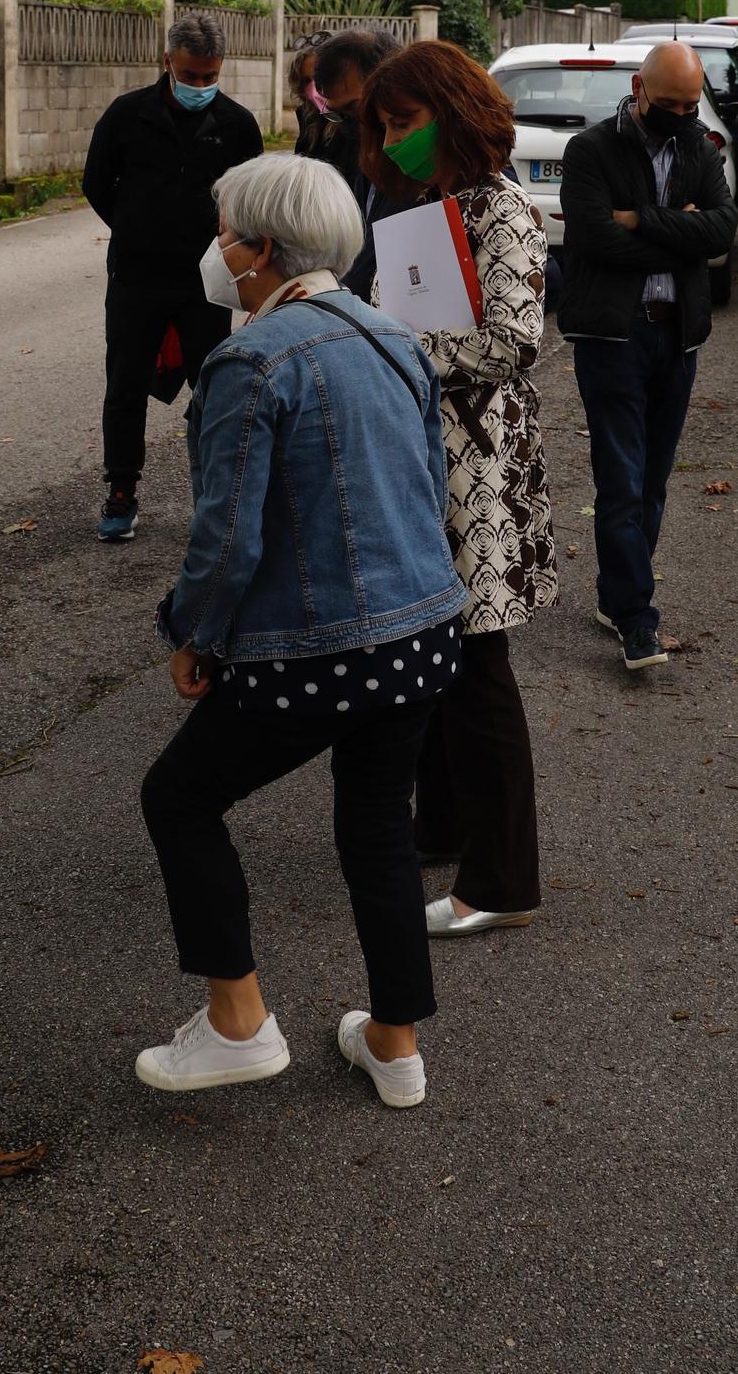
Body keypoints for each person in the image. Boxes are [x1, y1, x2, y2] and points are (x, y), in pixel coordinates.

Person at [139, 154, 467, 1109]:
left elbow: (226, 534)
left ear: (261, 250)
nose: (217, 249)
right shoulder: (393, 335)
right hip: (421, 634)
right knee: (377, 829)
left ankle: (237, 1023)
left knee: (180, 798)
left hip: (314, 651)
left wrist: (192, 635)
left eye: (226, 232)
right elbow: (428, 489)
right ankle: (395, 1044)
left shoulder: (251, 358)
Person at [357, 42, 557, 940]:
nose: (393, 142)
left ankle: (503, 880)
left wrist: (394, 350)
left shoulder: (502, 207)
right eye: (386, 127)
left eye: (404, 123)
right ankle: (441, 827)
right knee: (434, 657)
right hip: (428, 461)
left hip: (479, 472)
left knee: (479, 672)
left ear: (452, 113)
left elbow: (515, 340)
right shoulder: (436, 206)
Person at [557, 40, 738, 671]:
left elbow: (722, 230)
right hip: (613, 336)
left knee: (652, 481)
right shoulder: (590, 150)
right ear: (639, 89)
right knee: (620, 480)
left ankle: (617, 594)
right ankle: (638, 618)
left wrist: (643, 219)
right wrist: (678, 234)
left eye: (693, 105)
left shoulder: (698, 147)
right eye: (670, 104)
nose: (684, 115)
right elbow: (591, 237)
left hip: (678, 334)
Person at [83, 10, 263, 543]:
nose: (201, 86)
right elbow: (96, 182)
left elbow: (250, 203)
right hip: (136, 276)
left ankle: (213, 496)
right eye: (190, 76)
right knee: (126, 385)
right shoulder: (126, 115)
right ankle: (121, 491)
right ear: (167, 63)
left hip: (207, 280)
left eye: (210, 77)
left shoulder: (237, 124)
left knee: (213, 388)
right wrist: (137, 227)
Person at [309, 27, 405, 297]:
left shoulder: (422, 163)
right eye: (339, 113)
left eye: (354, 106)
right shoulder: (366, 152)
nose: (353, 121)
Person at [288, 34, 355, 184]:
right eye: (306, 81)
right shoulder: (308, 118)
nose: (314, 87)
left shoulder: (353, 122)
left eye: (319, 78)